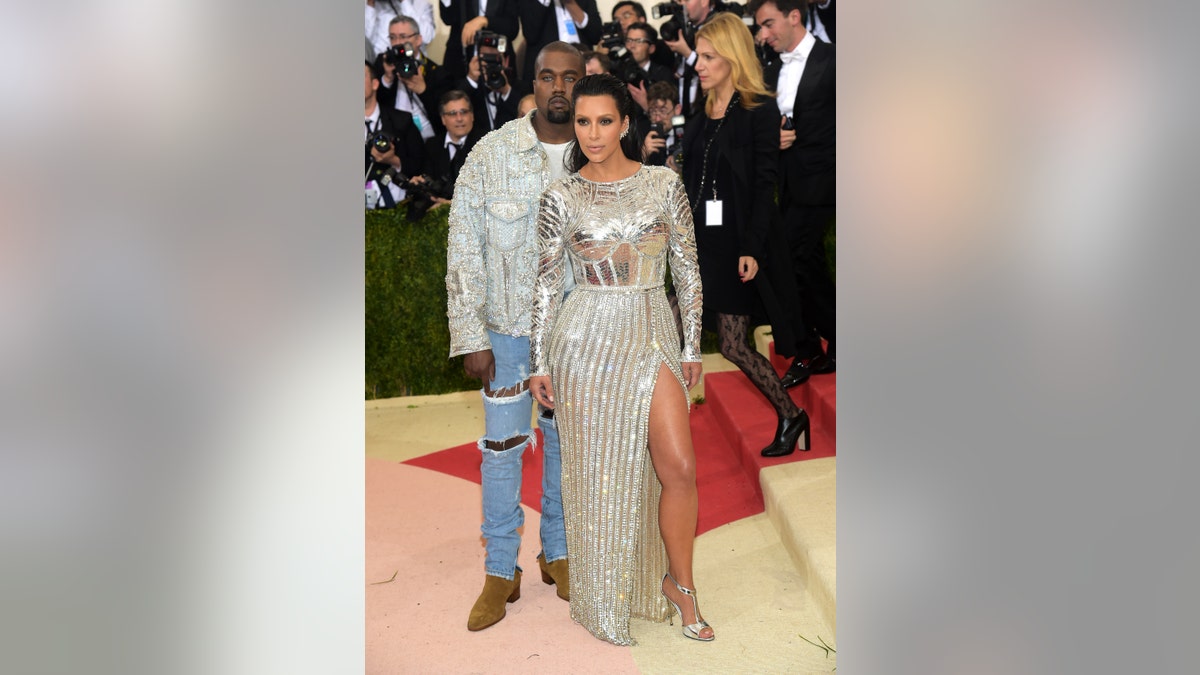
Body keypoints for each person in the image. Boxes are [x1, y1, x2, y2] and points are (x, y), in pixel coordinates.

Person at [529, 73, 714, 645]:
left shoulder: (662, 185)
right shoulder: (559, 197)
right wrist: (539, 361)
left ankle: (679, 584)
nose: (592, 133)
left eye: (604, 120)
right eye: (582, 122)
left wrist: (691, 346)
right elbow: (541, 284)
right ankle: (601, 592)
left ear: (625, 123)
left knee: (679, 467)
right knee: (597, 475)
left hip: (651, 328)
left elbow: (686, 268)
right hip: (583, 339)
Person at [445, 41, 584, 632]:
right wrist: (469, 331)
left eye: (570, 78)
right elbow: (463, 244)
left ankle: (558, 554)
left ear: (584, 83)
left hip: (576, 334)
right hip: (504, 334)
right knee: (501, 453)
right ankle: (502, 568)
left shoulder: (600, 154)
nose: (558, 87)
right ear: (534, 81)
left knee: (564, 444)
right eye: (547, 77)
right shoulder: (493, 151)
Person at [679, 12, 811, 457]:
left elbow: (763, 184)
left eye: (709, 56)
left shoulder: (757, 109)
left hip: (736, 244)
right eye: (699, 55)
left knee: (734, 344)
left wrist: (751, 248)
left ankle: (792, 415)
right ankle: (656, 428)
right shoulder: (701, 111)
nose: (699, 64)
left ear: (732, 58)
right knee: (678, 322)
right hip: (702, 242)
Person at [750, 0, 836, 382]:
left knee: (796, 259)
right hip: (784, 183)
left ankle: (812, 344)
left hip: (823, 180)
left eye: (768, 24)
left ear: (794, 16)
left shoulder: (834, 60)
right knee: (806, 262)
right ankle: (820, 346)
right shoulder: (770, 70)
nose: (763, 35)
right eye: (760, 28)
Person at [376, 15, 455, 140]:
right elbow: (375, 104)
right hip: (394, 138)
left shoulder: (437, 73)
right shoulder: (383, 63)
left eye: (403, 37)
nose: (397, 43)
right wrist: (387, 79)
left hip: (429, 140)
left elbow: (445, 116)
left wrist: (423, 91)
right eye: (392, 38)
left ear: (418, 40)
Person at [365, 61, 425, 209]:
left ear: (375, 84)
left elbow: (420, 164)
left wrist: (394, 160)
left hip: (399, 207)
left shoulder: (402, 121)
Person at [518, 0, 603, 83]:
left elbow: (596, 35)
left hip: (583, 66)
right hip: (547, 68)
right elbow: (530, 35)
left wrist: (570, 3)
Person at [439, 0, 520, 81]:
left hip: (497, 62)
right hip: (460, 63)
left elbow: (512, 28)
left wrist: (485, 21)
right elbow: (449, 18)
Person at [366, 0, 437, 59]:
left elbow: (427, 37)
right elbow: (364, 45)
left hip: (413, 63)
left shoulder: (421, 4)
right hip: (383, 65)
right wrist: (370, 5)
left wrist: (404, 2)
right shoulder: (368, 8)